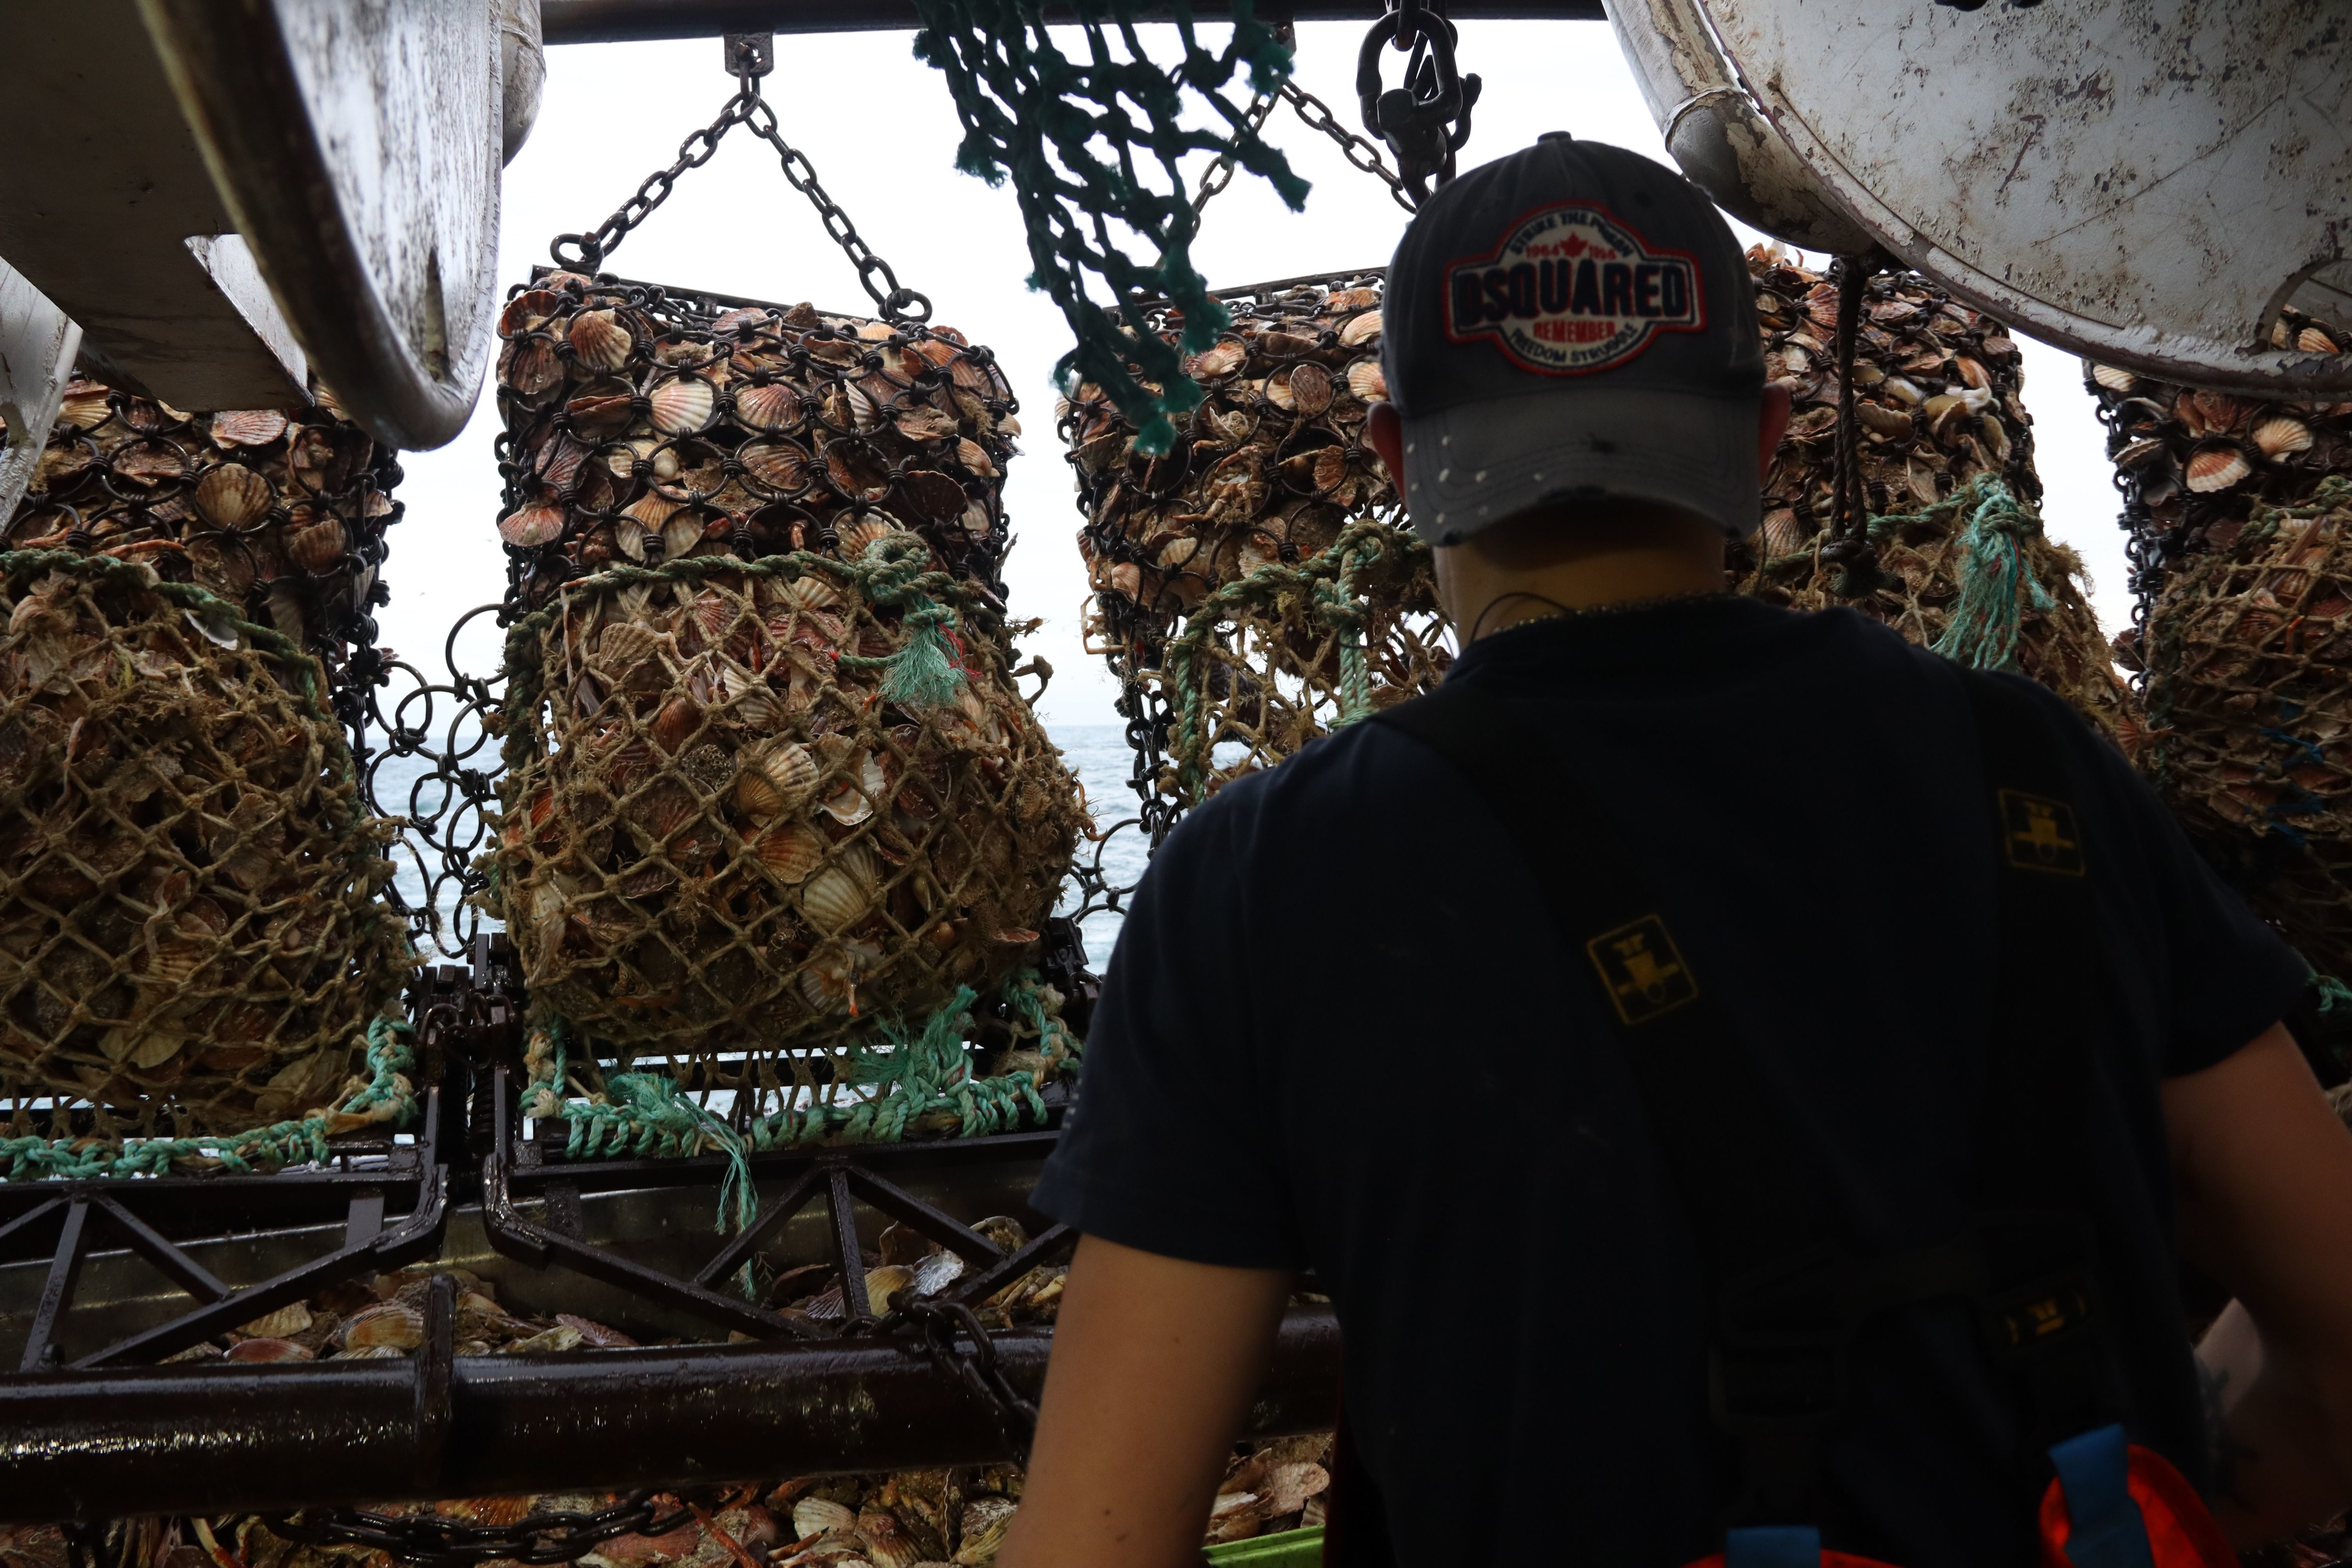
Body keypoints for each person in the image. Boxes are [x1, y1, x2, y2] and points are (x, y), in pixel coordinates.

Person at [999, 135, 2352, 1568]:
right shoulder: (2046, 771)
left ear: (1400, 460)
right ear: (1766, 440)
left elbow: (1101, 1540)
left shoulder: (1257, 877)